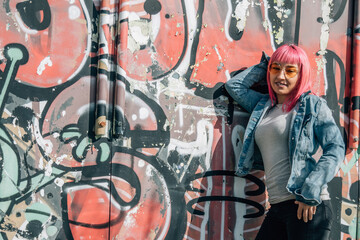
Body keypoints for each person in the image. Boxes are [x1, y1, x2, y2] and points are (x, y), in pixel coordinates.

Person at [225, 44, 345, 240]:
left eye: (290, 70)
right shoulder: (263, 106)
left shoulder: (312, 105)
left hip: (306, 205)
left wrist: (310, 190)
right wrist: (265, 65)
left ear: (301, 75)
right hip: (278, 206)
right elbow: (234, 87)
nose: (281, 76)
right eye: (276, 68)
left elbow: (336, 148)